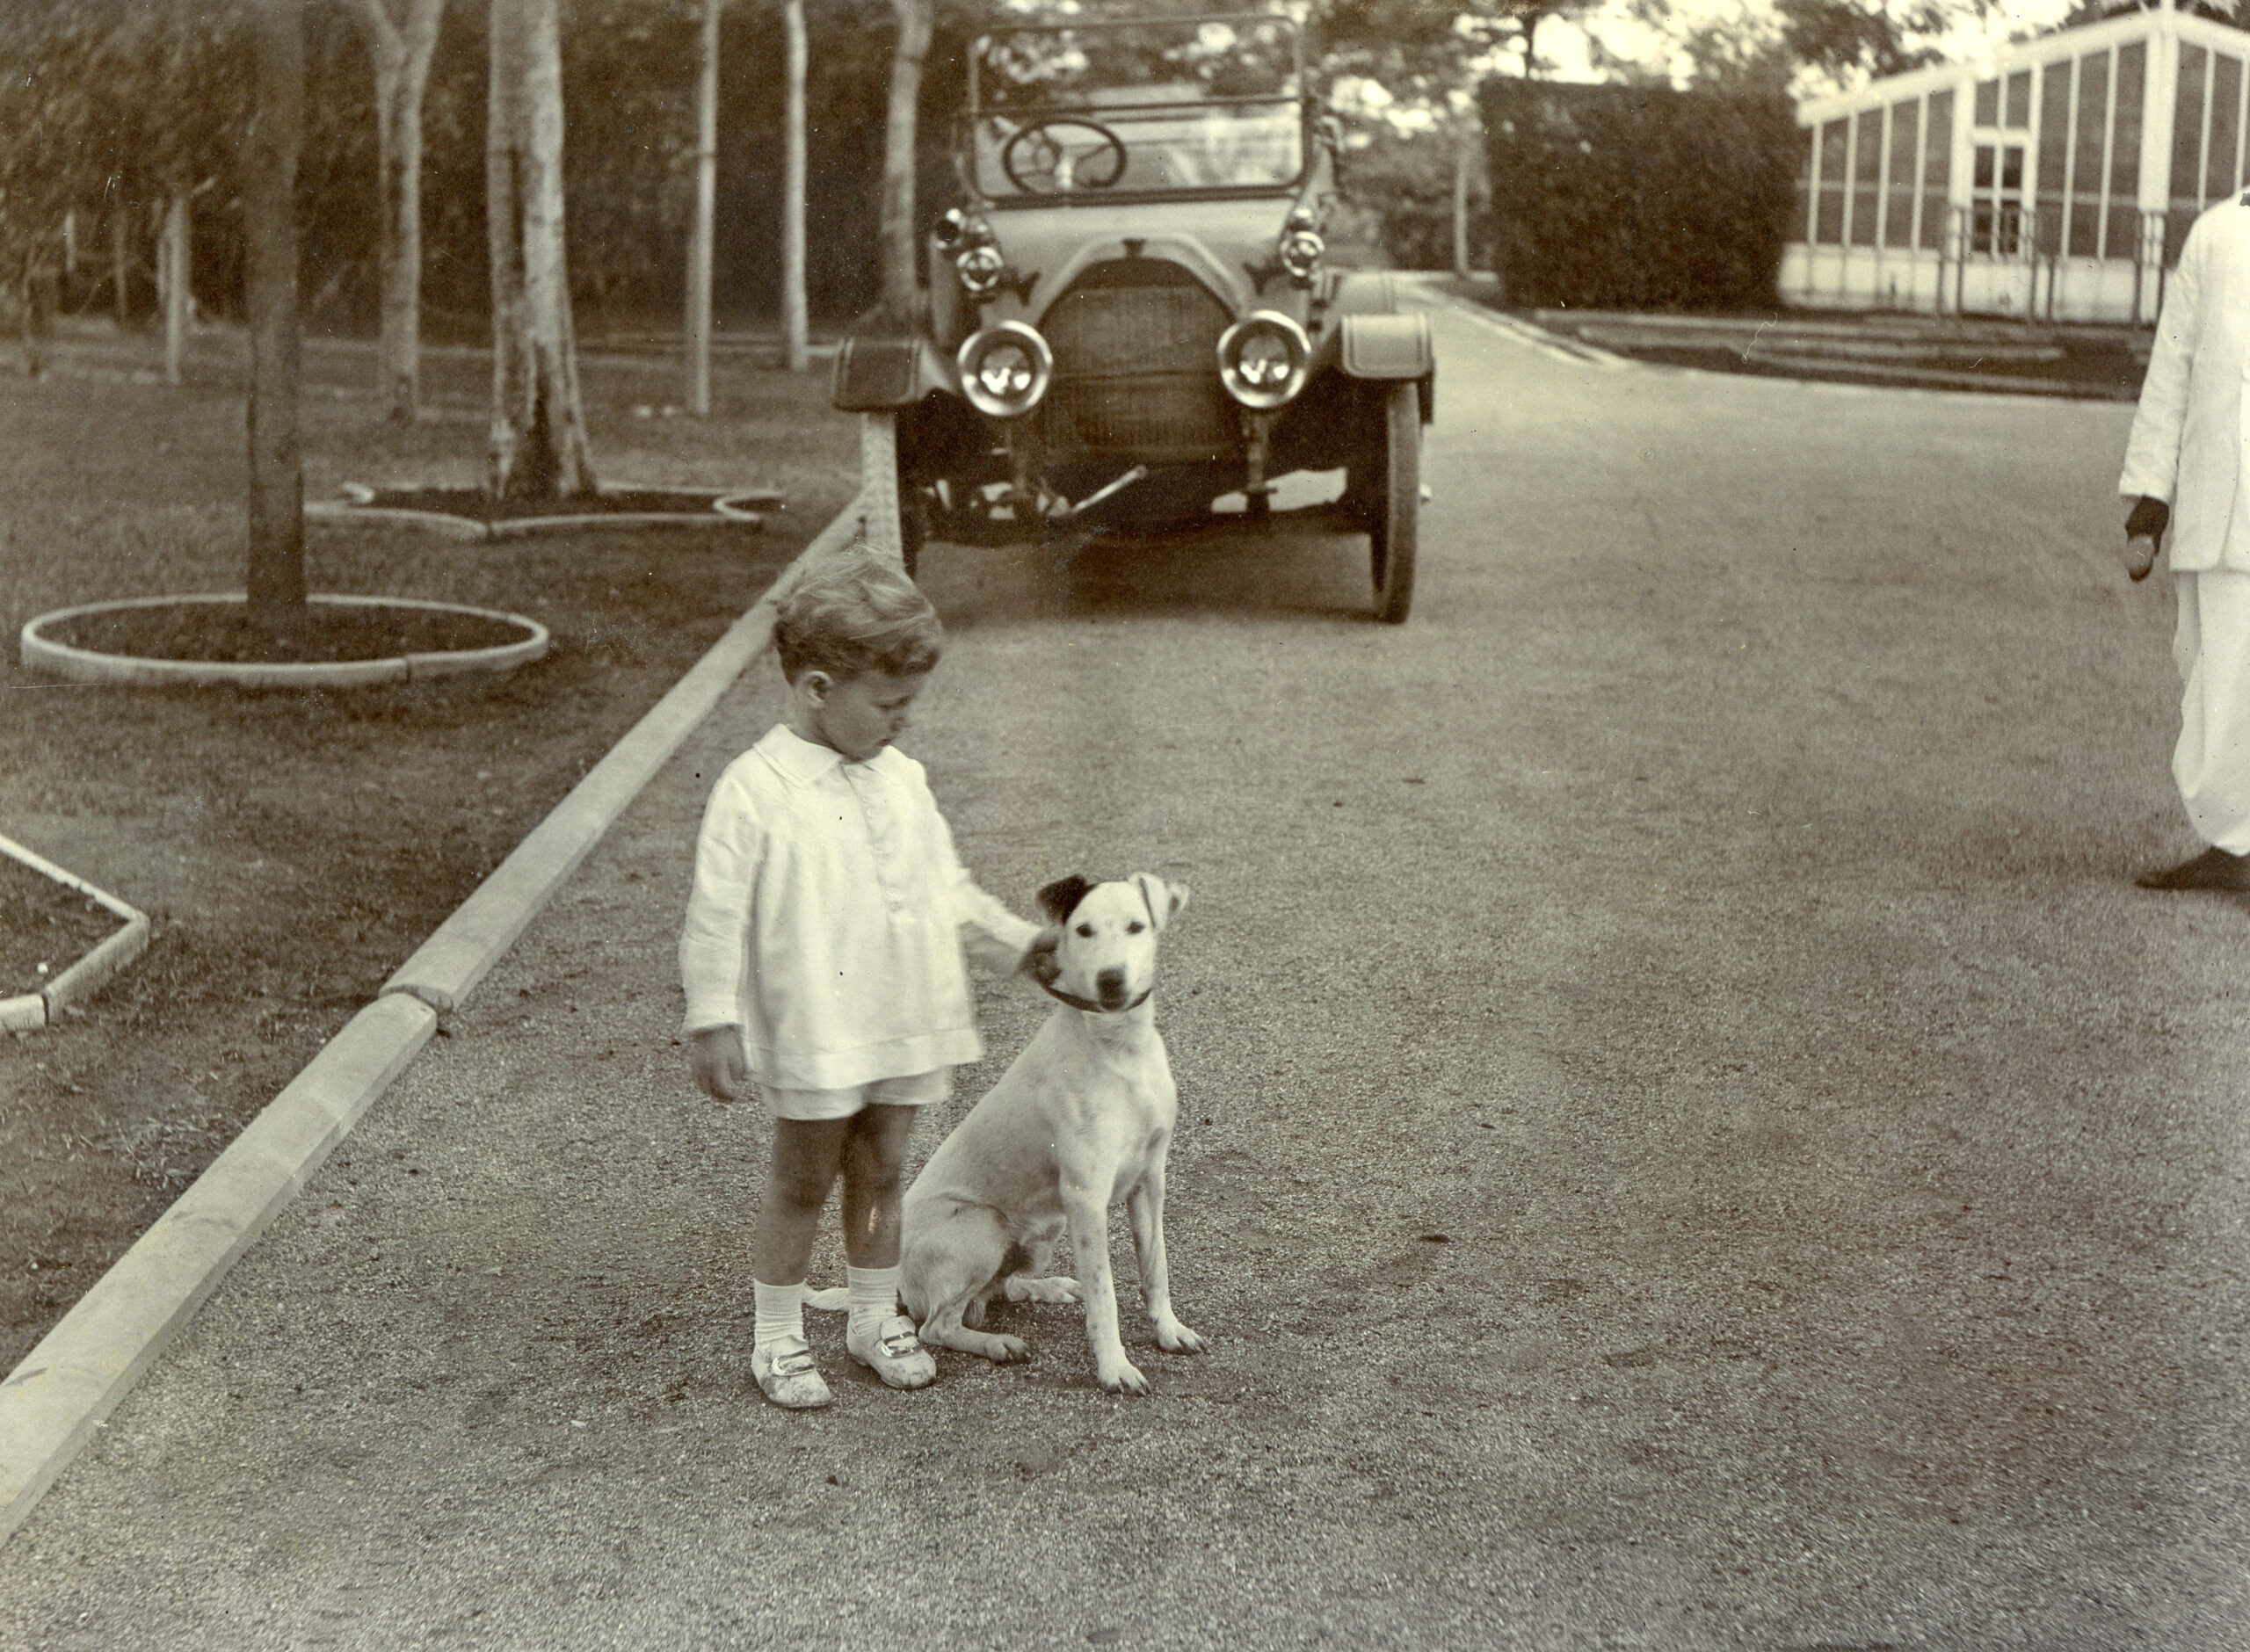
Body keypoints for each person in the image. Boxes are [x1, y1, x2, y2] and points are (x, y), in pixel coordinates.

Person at [679, 548, 1049, 1408]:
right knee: (802, 1179)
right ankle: (777, 1335)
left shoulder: (903, 778)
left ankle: (874, 1316)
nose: (903, 720)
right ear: (816, 687)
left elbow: (947, 889)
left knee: (883, 1172)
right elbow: (715, 913)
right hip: (817, 1026)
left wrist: (1020, 944)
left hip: (901, 1015)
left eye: (909, 701)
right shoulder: (754, 788)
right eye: (887, 704)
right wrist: (712, 1016)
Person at [2120, 190, 2250, 891]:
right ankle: (2233, 846)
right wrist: (2151, 501)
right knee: (2211, 675)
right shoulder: (2215, 232)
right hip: (2212, 499)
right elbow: (2171, 370)